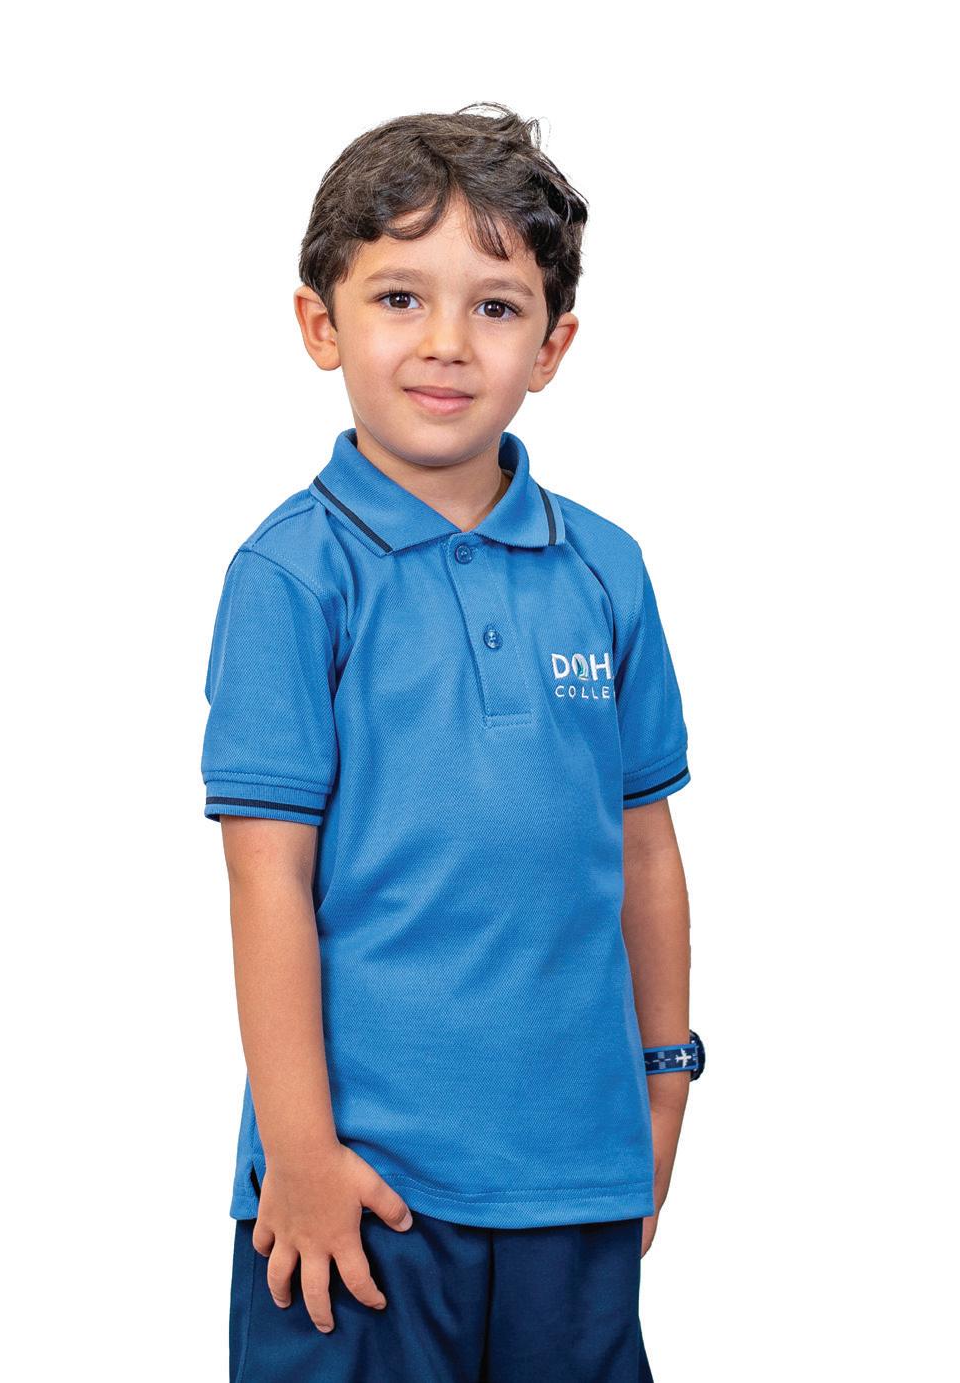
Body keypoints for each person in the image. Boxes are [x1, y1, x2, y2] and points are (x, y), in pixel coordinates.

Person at [200, 102, 703, 1382]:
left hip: (575, 1178)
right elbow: (268, 880)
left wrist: (665, 1079)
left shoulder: (608, 570)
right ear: (321, 325)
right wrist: (300, 1155)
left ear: (553, 344)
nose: (445, 342)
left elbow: (644, 850)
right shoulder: (291, 576)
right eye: (398, 298)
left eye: (494, 306)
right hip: (360, 1192)